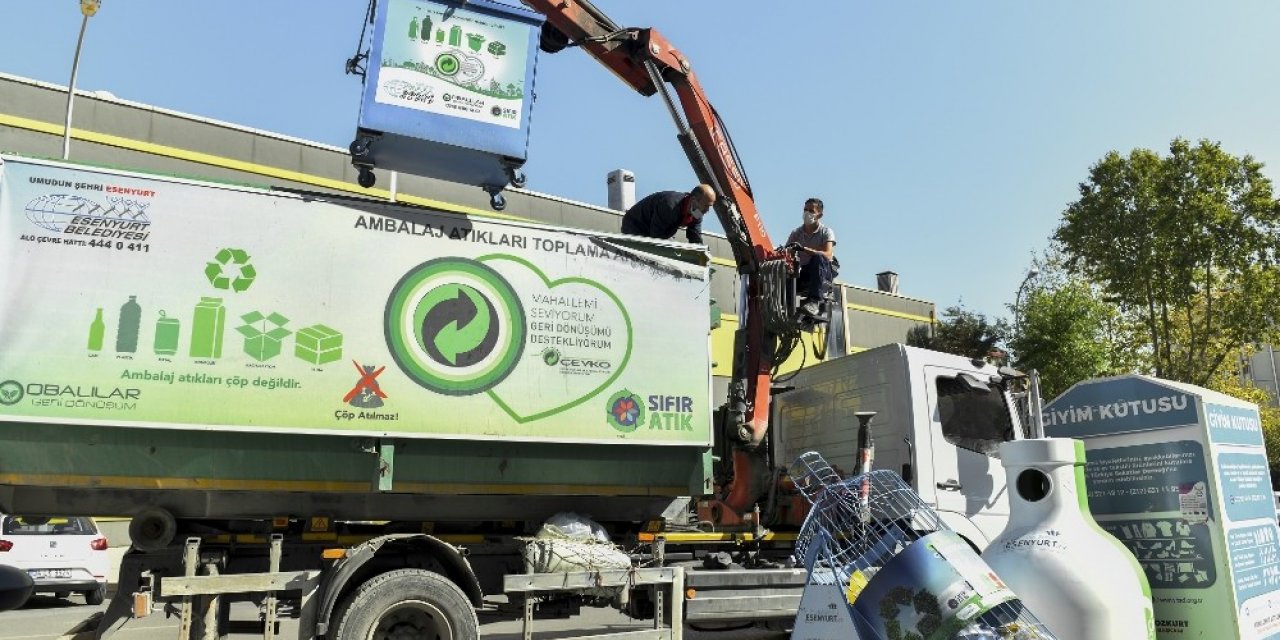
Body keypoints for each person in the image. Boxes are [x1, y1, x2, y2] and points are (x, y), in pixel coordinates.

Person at [786, 197, 837, 317]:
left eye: (811, 211)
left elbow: (828, 255)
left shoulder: (826, 232)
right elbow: (788, 255)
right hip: (802, 273)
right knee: (786, 268)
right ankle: (785, 305)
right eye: (805, 210)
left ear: (819, 215)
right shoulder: (796, 233)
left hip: (822, 272)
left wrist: (803, 249)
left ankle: (814, 302)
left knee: (818, 257)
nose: (807, 213)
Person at [621, 184, 715, 244]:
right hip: (635, 225)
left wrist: (701, 254)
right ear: (694, 201)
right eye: (706, 206)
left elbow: (695, 237)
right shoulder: (670, 206)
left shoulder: (697, 212)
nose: (707, 210)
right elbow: (656, 236)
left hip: (658, 231)